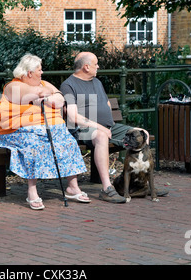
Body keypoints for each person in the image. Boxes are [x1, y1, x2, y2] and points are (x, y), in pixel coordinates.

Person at [0, 53, 90, 210]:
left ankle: (73, 187)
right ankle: (32, 191)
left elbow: (60, 99)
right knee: (35, 146)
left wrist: (50, 98)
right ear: (29, 72)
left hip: (50, 129)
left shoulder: (44, 83)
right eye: (39, 69)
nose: (42, 72)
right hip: (19, 132)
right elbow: (24, 98)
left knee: (68, 142)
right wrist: (42, 95)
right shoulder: (13, 86)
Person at [60, 51, 150, 204]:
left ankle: (138, 184)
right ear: (86, 67)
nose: (98, 67)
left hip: (109, 126)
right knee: (101, 136)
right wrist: (100, 127)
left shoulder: (96, 82)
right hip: (82, 130)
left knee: (142, 134)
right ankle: (107, 188)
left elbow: (106, 103)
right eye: (96, 64)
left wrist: (106, 124)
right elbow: (73, 117)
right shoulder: (68, 85)